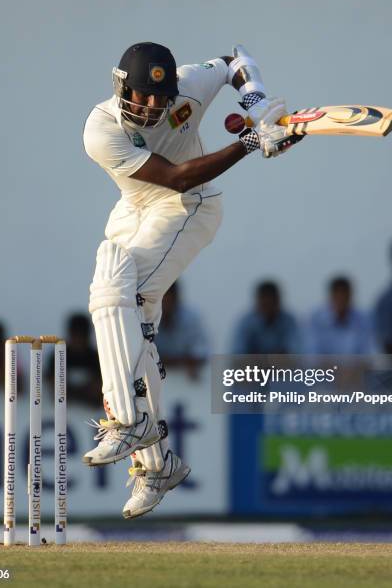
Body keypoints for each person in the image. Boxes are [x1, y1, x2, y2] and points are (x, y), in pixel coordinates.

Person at [82, 42, 304, 519]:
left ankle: (130, 421)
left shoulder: (187, 88)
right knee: (114, 296)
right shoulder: (101, 129)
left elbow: (234, 60)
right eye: (141, 96)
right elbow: (174, 175)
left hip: (192, 207)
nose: (152, 107)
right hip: (144, 198)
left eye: (160, 98)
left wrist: (257, 105)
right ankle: (156, 465)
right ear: (122, 87)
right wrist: (250, 140)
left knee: (128, 291)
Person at [154, 281, 209, 380]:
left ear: (176, 298)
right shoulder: (146, 318)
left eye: (168, 298)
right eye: (162, 299)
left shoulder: (191, 319)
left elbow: (200, 355)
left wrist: (164, 360)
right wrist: (182, 361)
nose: (165, 304)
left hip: (184, 383)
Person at [45, 313, 102, 406]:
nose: (78, 340)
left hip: (90, 408)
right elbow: (50, 380)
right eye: (76, 335)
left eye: (81, 335)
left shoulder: (95, 357)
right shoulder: (58, 356)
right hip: (62, 406)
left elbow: (100, 384)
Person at [307, 276, 373, 354]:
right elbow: (311, 355)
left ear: (350, 296)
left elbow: (369, 352)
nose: (341, 298)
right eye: (338, 294)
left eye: (344, 294)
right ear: (331, 296)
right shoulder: (316, 319)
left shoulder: (363, 319)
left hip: (355, 366)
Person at [231, 281, 301, 354]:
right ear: (257, 302)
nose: (268, 307)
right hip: (251, 365)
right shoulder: (245, 323)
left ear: (278, 301)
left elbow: (295, 351)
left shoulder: (289, 321)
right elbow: (237, 353)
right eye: (265, 303)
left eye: (271, 303)